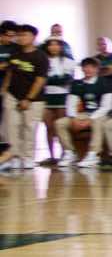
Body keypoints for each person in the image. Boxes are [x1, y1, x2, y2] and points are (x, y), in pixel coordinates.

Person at [1, 22, 50, 170]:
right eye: (19, 35)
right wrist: (4, 89)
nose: (21, 38)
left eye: (25, 35)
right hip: (12, 95)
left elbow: (40, 80)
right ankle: (14, 156)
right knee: (11, 128)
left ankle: (28, 157)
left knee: (29, 128)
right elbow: (10, 72)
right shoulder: (15, 53)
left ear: (33, 37)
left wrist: (29, 98)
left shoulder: (40, 56)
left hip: (33, 100)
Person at [64, 58, 112, 167]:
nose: (88, 69)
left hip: (102, 114)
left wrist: (90, 119)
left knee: (97, 122)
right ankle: (70, 152)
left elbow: (106, 107)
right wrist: (73, 118)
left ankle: (93, 154)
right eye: (86, 67)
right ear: (82, 69)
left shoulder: (105, 83)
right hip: (85, 113)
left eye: (92, 67)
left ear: (97, 69)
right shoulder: (77, 83)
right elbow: (71, 103)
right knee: (60, 123)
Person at [39, 36, 77, 166]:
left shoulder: (68, 61)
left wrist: (49, 79)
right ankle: (51, 156)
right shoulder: (43, 60)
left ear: (61, 46)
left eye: (56, 44)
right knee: (48, 127)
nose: (53, 47)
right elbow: (41, 79)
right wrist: (54, 79)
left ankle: (65, 153)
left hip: (62, 96)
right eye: (51, 44)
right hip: (46, 96)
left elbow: (66, 80)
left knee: (60, 126)